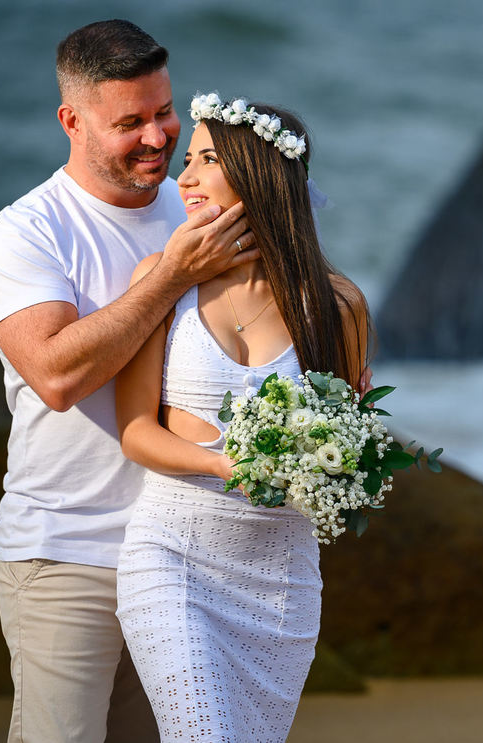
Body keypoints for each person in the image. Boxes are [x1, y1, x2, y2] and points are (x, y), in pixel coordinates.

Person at [0, 20, 258, 743]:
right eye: (129, 122)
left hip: (184, 551)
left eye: (164, 111)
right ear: (72, 120)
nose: (158, 137)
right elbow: (58, 375)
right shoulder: (28, 232)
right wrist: (170, 275)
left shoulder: (197, 203)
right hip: (67, 548)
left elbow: (273, 310)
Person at [113, 95, 371, 741]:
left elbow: (343, 465)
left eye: (205, 159)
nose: (184, 177)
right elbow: (136, 430)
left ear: (255, 171)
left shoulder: (337, 307)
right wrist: (220, 462)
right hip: (172, 558)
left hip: (279, 583)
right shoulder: (163, 281)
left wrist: (348, 442)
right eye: (189, 159)